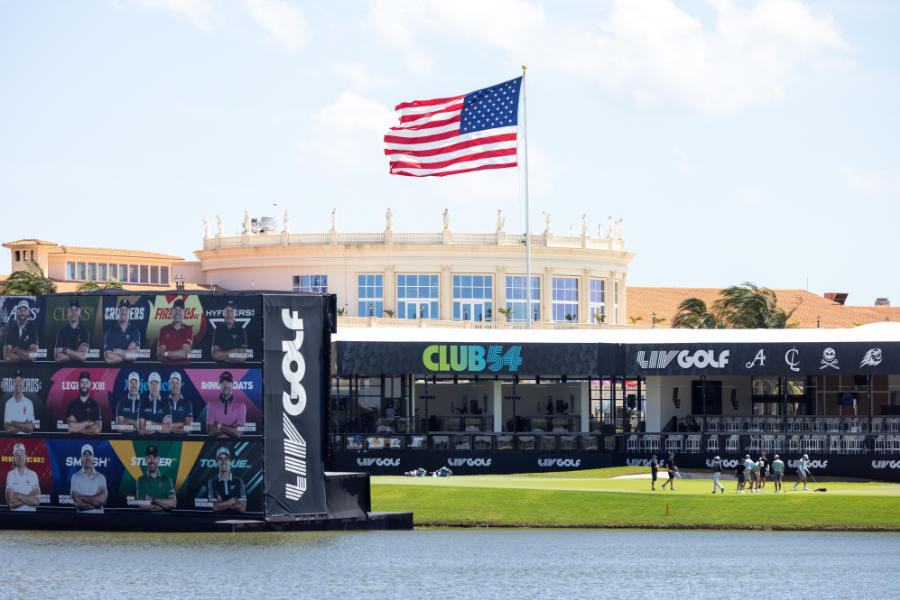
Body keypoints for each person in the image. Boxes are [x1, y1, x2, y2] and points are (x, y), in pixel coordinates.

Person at [135, 444, 176, 512]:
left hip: (166, 519)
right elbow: (142, 506)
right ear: (145, 459)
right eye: (149, 457)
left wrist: (153, 499)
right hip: (146, 519)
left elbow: (173, 503)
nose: (152, 461)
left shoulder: (167, 479)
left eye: (154, 457)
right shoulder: (141, 480)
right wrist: (164, 506)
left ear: (158, 459)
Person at [206, 371, 246, 438]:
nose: (226, 385)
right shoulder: (211, 404)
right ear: (219, 385)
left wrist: (219, 425)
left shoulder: (240, 405)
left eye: (228, 382)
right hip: (213, 443)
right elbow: (210, 432)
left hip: (233, 443)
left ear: (233, 385)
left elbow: (238, 433)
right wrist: (232, 428)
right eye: (223, 383)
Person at [70, 444, 107, 514]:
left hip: (99, 518)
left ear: (93, 457)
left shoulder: (100, 477)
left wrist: (83, 498)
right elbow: (77, 502)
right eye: (85, 455)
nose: (87, 457)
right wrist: (96, 503)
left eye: (90, 454)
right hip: (81, 518)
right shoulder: (75, 477)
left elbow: (103, 500)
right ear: (81, 457)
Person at [208, 447, 246, 513]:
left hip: (236, 521)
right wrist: (233, 500)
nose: (223, 462)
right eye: (220, 459)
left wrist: (221, 503)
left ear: (230, 461)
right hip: (217, 520)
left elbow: (242, 508)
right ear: (217, 462)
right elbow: (214, 507)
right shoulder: (212, 481)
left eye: (226, 458)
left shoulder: (238, 481)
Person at [104, 298, 141, 364]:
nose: (123, 312)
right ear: (118, 311)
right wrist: (127, 353)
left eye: (126, 309)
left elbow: (134, 356)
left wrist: (116, 350)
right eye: (121, 309)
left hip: (130, 370)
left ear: (129, 311)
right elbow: (108, 358)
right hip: (112, 371)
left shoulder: (135, 331)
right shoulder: (110, 330)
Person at [156, 298, 193, 364]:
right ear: (171, 312)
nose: (177, 313)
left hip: (184, 370)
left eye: (180, 310)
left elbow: (184, 354)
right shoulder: (164, 329)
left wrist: (166, 354)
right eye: (175, 309)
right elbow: (160, 355)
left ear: (184, 312)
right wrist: (176, 355)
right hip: (166, 369)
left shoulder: (188, 329)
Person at [5, 443, 40, 511]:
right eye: (17, 455)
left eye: (22, 454)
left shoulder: (33, 474)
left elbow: (36, 501)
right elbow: (11, 504)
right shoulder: (10, 475)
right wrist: (29, 498)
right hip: (15, 517)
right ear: (14, 458)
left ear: (25, 456)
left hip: (32, 517)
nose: (20, 457)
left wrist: (18, 495)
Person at [55, 298, 90, 362]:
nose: (73, 312)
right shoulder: (62, 331)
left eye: (76, 310)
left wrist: (66, 350)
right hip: (64, 370)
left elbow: (83, 357)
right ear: (68, 312)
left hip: (79, 369)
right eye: (71, 310)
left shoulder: (84, 331)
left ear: (79, 311)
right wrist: (76, 353)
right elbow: (57, 357)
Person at [4, 368, 35, 434]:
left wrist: (13, 423)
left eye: (20, 380)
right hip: (11, 440)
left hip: (27, 439)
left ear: (24, 383)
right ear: (13, 383)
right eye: (16, 381)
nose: (18, 384)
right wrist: (24, 424)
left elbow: (30, 428)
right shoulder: (8, 403)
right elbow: (8, 429)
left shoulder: (29, 403)